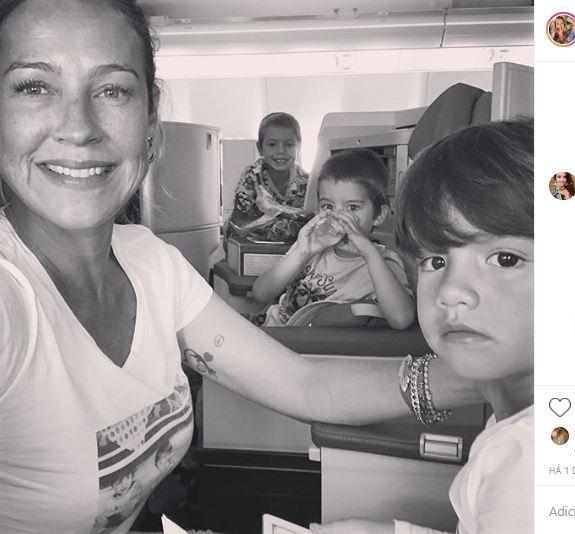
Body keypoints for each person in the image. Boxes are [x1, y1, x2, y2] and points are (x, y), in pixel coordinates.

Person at [0, 2, 480, 532]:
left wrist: (492, 375)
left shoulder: (150, 261)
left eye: (112, 90)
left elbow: (303, 384)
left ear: (150, 121)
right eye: (33, 87)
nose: (78, 128)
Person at [312, 119, 534, 534]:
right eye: (435, 261)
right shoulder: (517, 426)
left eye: (505, 259)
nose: (451, 291)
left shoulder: (528, 459)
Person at [251, 149, 414, 329]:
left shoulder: (383, 263)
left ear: (378, 215)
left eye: (352, 208)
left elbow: (402, 319)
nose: (338, 217)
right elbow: (260, 293)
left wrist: (369, 253)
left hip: (300, 342)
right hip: (268, 327)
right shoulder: (311, 247)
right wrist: (301, 253)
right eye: (328, 206)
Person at [225, 111, 310, 243]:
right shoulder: (253, 176)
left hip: (287, 244)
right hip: (246, 240)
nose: (281, 151)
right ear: (260, 148)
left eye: (289, 144)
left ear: (299, 147)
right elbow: (238, 221)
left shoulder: (305, 180)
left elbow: (309, 219)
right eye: (272, 144)